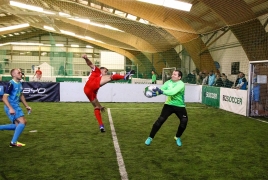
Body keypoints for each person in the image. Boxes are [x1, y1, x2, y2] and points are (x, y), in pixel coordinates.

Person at [82, 54, 135, 132]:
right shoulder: (96, 70)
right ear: (101, 69)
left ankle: (101, 126)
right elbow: (90, 64)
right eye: (105, 71)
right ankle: (124, 76)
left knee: (96, 107)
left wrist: (100, 106)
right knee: (110, 77)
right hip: (91, 84)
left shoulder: (100, 78)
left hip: (89, 91)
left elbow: (96, 99)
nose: (106, 73)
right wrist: (86, 58)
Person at [144, 70, 188, 147]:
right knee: (160, 120)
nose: (172, 75)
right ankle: (150, 137)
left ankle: (177, 137)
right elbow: (162, 89)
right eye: (172, 74)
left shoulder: (181, 84)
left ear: (179, 77)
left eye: (175, 74)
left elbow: (172, 92)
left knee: (184, 121)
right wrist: (155, 93)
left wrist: (160, 91)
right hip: (169, 105)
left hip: (180, 106)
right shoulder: (168, 82)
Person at [0, 68, 31, 147]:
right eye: (19, 73)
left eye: (21, 72)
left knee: (18, 126)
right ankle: (13, 143)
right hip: (11, 106)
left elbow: (21, 95)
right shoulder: (11, 84)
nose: (21, 74)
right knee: (23, 122)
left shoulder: (19, 83)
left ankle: (12, 141)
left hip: (16, 106)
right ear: (13, 74)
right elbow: (4, 98)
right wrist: (10, 108)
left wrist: (26, 106)